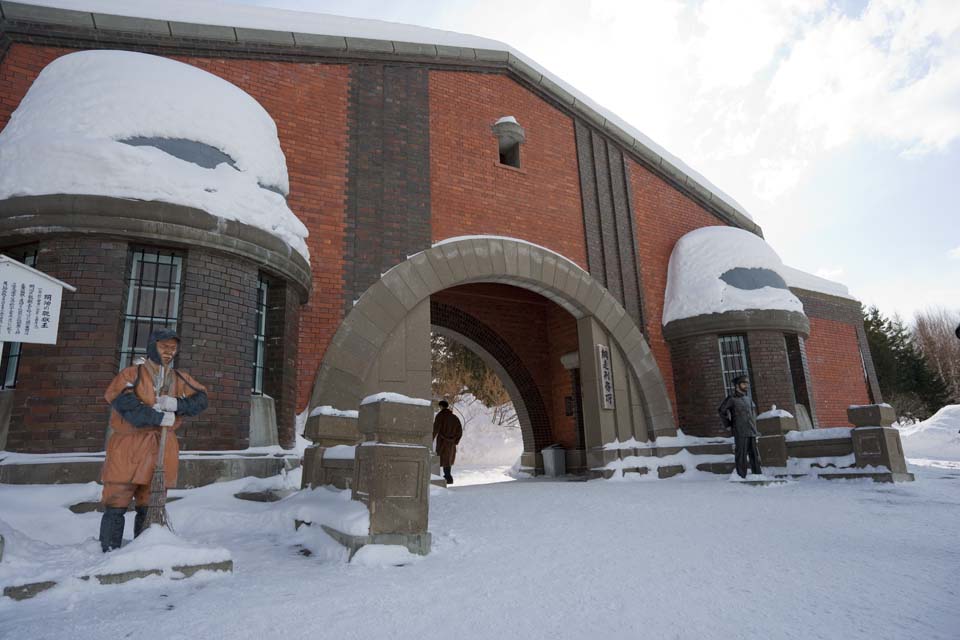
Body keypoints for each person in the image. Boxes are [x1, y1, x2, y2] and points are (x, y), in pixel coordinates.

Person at [98, 328, 208, 552]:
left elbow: (202, 398)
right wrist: (158, 416)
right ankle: (109, 552)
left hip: (161, 447)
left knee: (149, 503)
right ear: (152, 347)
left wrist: (178, 405)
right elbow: (123, 402)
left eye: (173, 348)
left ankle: (142, 551)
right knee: (117, 500)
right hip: (128, 447)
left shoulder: (178, 378)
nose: (169, 352)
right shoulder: (131, 374)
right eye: (164, 346)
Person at [718, 375, 762, 479]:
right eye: (743, 384)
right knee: (741, 455)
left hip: (751, 430)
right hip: (740, 430)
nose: (746, 386)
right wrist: (728, 424)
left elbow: (752, 414)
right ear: (737, 386)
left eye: (746, 384)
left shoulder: (748, 399)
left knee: (754, 455)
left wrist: (755, 428)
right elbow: (721, 411)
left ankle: (758, 474)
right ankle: (741, 476)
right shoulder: (731, 399)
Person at [432, 399, 463, 485]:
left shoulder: (440, 416)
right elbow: (459, 431)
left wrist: (431, 438)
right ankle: (448, 476)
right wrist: (455, 441)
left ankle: (446, 477)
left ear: (441, 406)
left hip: (442, 441)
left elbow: (435, 429)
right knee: (447, 459)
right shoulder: (454, 417)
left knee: (442, 459)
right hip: (451, 443)